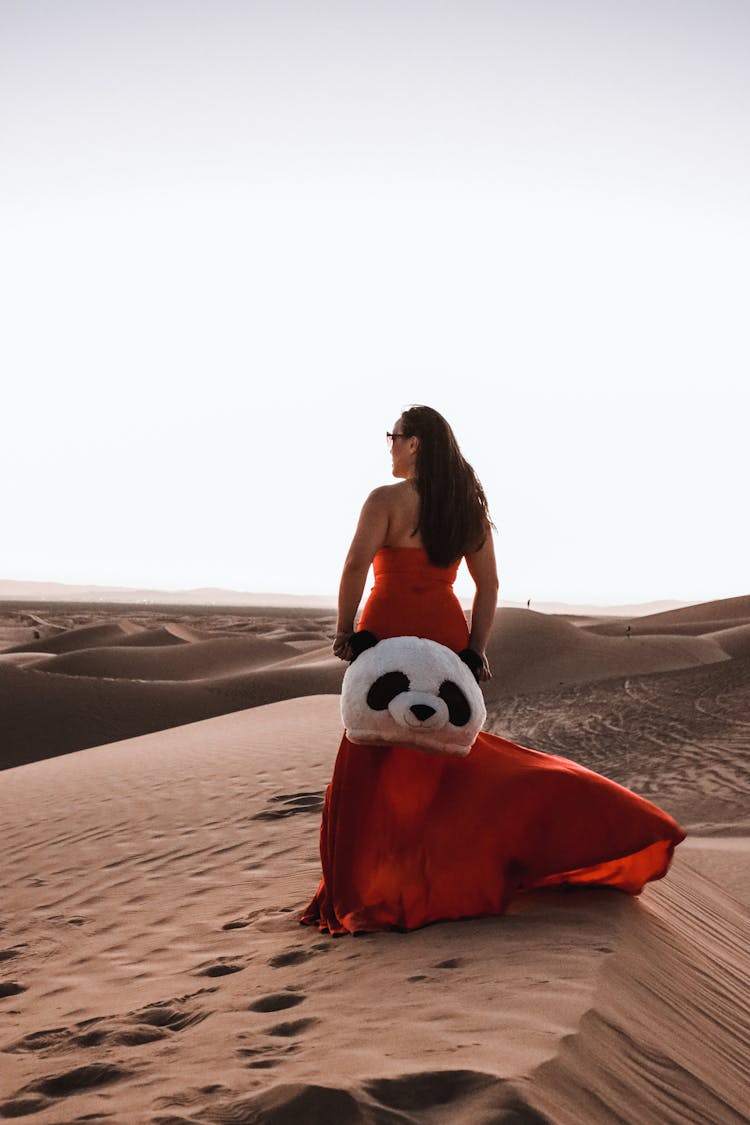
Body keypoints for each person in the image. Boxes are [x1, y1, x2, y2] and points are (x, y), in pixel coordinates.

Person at [301, 406, 685, 935]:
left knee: (372, 752)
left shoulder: (385, 501)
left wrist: (347, 631)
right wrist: (474, 650)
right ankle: (437, 877)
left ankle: (365, 889)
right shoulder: (466, 511)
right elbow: (490, 587)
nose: (389, 446)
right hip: (443, 634)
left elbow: (354, 566)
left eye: (394, 437)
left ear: (415, 444)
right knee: (447, 763)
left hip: (387, 632)